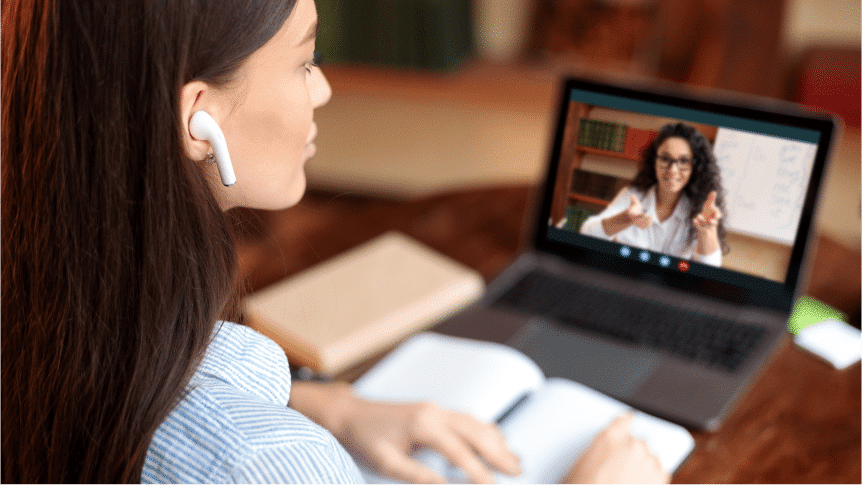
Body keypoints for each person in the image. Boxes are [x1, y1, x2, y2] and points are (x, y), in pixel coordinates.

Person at [0, 0, 669, 483]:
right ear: (199, 120)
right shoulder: (268, 462)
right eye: (304, 59)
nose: (322, 88)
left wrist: (330, 404)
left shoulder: (51, 308)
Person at [580, 123, 728, 266]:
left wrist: (708, 232)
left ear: (695, 167)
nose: (673, 171)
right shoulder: (633, 195)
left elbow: (709, 270)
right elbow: (586, 234)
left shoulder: (699, 209)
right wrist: (626, 218)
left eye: (684, 161)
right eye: (665, 159)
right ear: (654, 161)